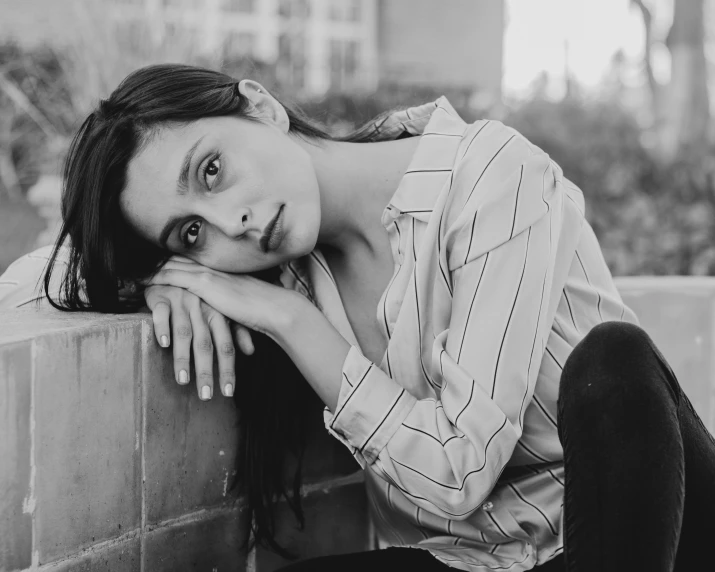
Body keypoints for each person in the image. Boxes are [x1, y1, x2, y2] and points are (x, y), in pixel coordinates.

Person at [7, 63, 714, 571]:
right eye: (190, 233)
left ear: (257, 107)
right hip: (480, 561)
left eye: (212, 170)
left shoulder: (491, 175)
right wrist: (161, 282)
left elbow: (456, 473)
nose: (233, 221)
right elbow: (27, 287)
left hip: (658, 531)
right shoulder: (276, 269)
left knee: (611, 363)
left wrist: (290, 320)